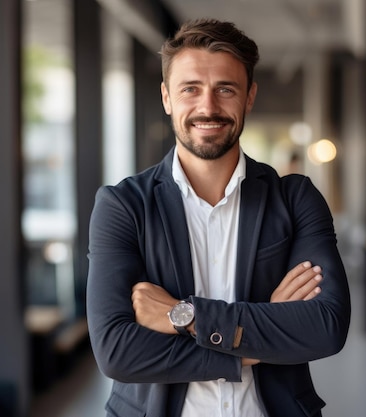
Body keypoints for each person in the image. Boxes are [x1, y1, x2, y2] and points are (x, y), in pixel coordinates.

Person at [86, 18, 351, 417]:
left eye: (225, 89)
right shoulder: (123, 206)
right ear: (166, 98)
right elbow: (118, 352)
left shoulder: (295, 199)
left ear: (249, 97)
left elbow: (325, 326)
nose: (207, 107)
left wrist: (185, 316)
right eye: (190, 89)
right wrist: (253, 346)